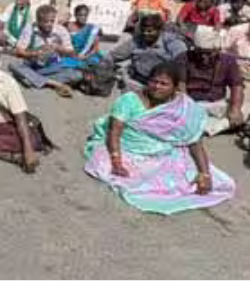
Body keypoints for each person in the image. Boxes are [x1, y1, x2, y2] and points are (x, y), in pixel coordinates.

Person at [83, 61, 236, 215]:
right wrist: (117, 162)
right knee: (109, 168)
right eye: (154, 81)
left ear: (175, 88)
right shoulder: (129, 100)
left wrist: (205, 174)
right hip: (128, 149)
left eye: (164, 84)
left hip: (163, 153)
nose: (157, 87)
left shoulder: (182, 108)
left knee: (188, 180)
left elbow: (194, 143)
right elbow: (114, 132)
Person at [182, 26, 249, 136]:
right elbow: (181, 86)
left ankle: (202, 127)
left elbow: (237, 86)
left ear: (217, 50)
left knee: (249, 109)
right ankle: (207, 127)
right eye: (200, 52)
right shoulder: (185, 57)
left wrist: (235, 109)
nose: (204, 57)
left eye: (208, 53)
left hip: (217, 104)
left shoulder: (228, 60)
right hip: (193, 104)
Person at [99, 13, 188, 87]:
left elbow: (183, 62)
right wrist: (104, 66)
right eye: (143, 31)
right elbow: (114, 55)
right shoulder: (137, 40)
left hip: (164, 84)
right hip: (138, 80)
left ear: (159, 30)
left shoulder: (172, 42)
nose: (146, 34)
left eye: (150, 31)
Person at [10, 5, 80, 97]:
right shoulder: (30, 29)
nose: (49, 24)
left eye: (52, 21)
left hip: (53, 67)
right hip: (33, 66)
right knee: (14, 65)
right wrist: (35, 53)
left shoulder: (61, 30)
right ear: (38, 21)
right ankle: (55, 84)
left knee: (77, 75)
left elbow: (72, 53)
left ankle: (38, 80)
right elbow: (18, 51)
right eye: (46, 22)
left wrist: (57, 48)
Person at [60, 4, 105, 70]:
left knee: (94, 63)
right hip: (71, 54)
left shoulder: (93, 29)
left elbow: (95, 48)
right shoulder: (68, 26)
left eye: (85, 15)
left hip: (87, 55)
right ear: (75, 15)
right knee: (62, 64)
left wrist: (85, 57)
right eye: (80, 15)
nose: (83, 17)